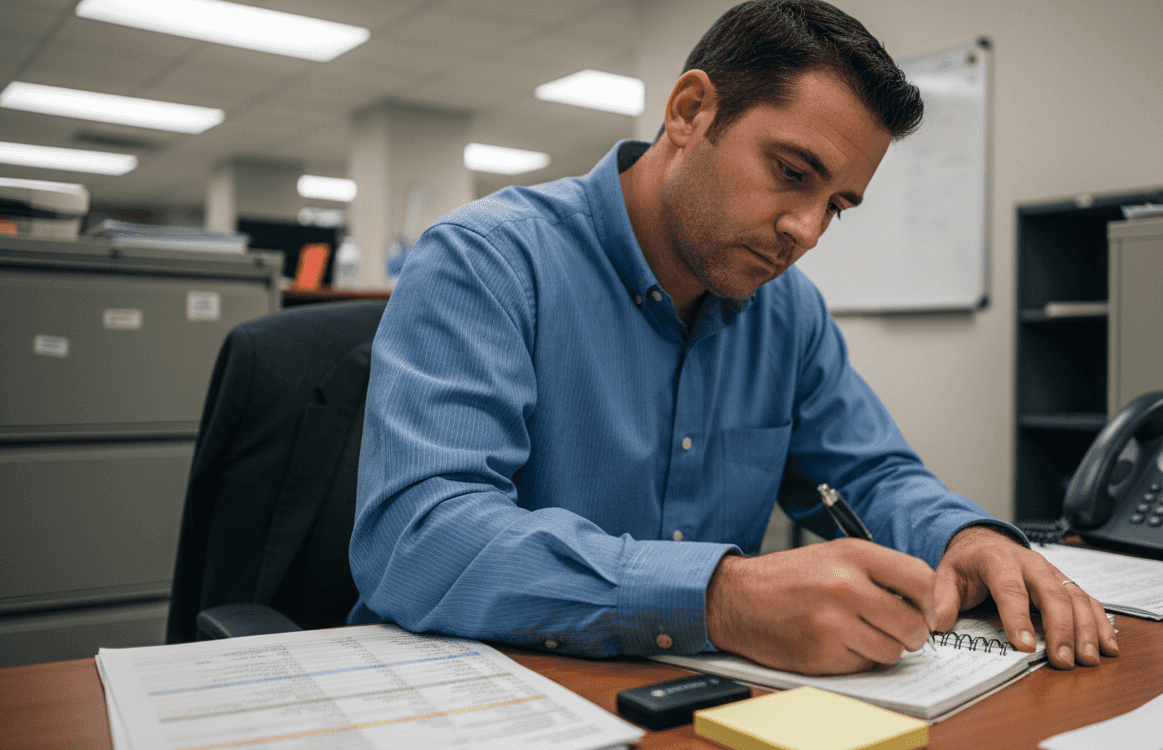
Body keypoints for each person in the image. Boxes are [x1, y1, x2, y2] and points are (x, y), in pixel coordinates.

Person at [350, 0, 1118, 676]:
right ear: (690, 111)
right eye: (791, 172)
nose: (806, 230)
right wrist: (722, 598)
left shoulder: (789, 313)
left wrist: (966, 536)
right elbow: (419, 539)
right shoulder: (488, 262)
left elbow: (873, 474)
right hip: (481, 700)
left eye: (836, 206)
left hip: (693, 705)